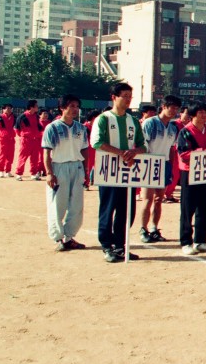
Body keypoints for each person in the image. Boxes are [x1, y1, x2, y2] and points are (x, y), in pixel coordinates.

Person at [91, 82, 147, 262]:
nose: (129, 100)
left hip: (128, 173)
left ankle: (120, 245)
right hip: (109, 172)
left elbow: (143, 145)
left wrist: (134, 152)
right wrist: (121, 153)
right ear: (114, 97)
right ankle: (107, 246)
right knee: (108, 209)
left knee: (126, 210)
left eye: (130, 97)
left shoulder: (132, 121)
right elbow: (97, 143)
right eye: (125, 96)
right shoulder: (104, 119)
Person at [42, 94, 91, 252]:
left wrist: (85, 170)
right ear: (62, 108)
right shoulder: (53, 128)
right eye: (71, 106)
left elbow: (84, 149)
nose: (75, 109)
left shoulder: (80, 128)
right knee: (58, 204)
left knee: (76, 205)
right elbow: (46, 153)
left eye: (77, 106)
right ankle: (58, 237)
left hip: (76, 167)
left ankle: (69, 237)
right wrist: (49, 173)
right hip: (59, 167)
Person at [174, 102, 206, 254]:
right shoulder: (185, 132)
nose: (204, 115)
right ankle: (186, 241)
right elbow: (183, 154)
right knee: (188, 208)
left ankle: (201, 240)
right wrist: (205, 151)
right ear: (193, 114)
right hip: (190, 173)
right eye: (200, 112)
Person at [140, 95, 182, 244]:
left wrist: (170, 165)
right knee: (147, 198)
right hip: (149, 163)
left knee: (159, 199)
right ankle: (143, 229)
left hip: (164, 164)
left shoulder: (172, 127)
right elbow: (141, 145)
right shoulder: (150, 123)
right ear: (164, 106)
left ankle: (154, 228)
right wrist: (145, 165)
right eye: (172, 107)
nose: (174, 111)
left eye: (177, 108)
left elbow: (172, 148)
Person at [14, 100, 42, 181]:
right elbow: (17, 129)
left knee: (35, 158)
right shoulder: (22, 116)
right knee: (23, 157)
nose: (37, 107)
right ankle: (19, 174)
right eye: (36, 106)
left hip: (35, 140)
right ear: (31, 107)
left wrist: (36, 135)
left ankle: (33, 173)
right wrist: (25, 136)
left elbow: (39, 127)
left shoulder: (36, 117)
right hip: (26, 140)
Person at [0, 104, 16, 178]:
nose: (9, 110)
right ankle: (1, 171)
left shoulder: (14, 117)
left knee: (10, 155)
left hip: (11, 139)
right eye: (7, 108)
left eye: (10, 108)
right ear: (3, 109)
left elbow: (17, 127)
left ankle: (8, 171)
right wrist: (1, 135)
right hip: (3, 139)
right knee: (2, 155)